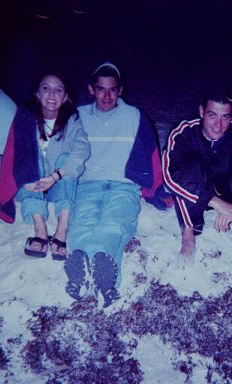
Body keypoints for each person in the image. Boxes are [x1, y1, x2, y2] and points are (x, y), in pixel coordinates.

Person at [64, 62, 172, 307]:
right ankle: (89, 276)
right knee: (82, 222)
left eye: (112, 89)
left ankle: (100, 277)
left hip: (124, 185)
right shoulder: (77, 115)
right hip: (88, 184)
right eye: (101, 89)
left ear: (120, 90)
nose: (107, 95)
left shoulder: (134, 116)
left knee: (114, 224)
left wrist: (155, 190)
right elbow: (62, 151)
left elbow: (151, 154)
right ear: (91, 89)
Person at [163, 87, 232, 274]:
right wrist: (215, 202)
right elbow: (170, 177)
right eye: (212, 115)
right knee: (188, 166)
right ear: (201, 112)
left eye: (225, 117)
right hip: (198, 194)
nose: (218, 125)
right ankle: (189, 234)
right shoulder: (183, 132)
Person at [0, 71, 90, 260]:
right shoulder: (25, 117)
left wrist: (55, 176)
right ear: (37, 94)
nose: (51, 94)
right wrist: (24, 179)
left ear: (65, 97)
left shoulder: (72, 119)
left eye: (58, 90)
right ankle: (40, 229)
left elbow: (82, 149)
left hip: (59, 183)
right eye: (46, 88)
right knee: (31, 158)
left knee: (67, 156)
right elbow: (13, 153)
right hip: (32, 184)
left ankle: (61, 230)